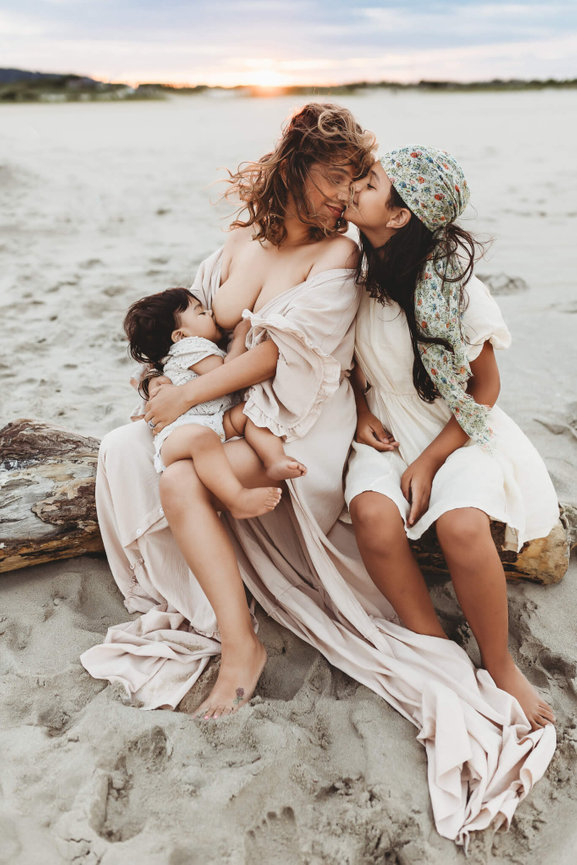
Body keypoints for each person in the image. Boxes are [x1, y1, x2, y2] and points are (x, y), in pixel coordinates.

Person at [80, 109, 557, 846]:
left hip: (300, 411)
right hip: (250, 404)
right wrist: (172, 382)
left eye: (356, 180)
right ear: (296, 167)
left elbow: (288, 356)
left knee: (180, 477)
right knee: (122, 449)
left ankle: (245, 644)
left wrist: (199, 396)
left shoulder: (342, 255)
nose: (343, 194)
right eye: (336, 177)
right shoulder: (245, 236)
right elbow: (211, 325)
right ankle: (231, 620)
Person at [344, 146, 558, 731]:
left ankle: (500, 663)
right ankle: (435, 644)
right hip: (386, 428)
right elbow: (346, 366)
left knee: (461, 523)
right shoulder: (352, 275)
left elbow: (485, 388)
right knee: (371, 515)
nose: (355, 187)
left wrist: (435, 459)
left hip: (458, 431)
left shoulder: (455, 289)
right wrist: (361, 410)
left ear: (399, 215)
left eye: (370, 182)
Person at [124, 286, 307, 519]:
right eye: (201, 313)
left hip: (215, 420)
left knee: (250, 413)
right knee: (203, 438)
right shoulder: (189, 348)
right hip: (179, 434)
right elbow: (228, 372)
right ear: (180, 336)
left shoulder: (192, 349)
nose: (210, 313)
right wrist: (241, 336)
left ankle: (275, 460)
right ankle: (236, 498)